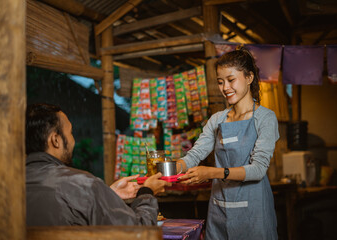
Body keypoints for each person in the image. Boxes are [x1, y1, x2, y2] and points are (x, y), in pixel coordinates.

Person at [177, 48, 279, 239]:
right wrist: (173, 168)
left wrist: (212, 173)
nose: (225, 88)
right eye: (220, 82)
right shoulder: (217, 120)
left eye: (231, 80)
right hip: (219, 210)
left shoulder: (265, 118)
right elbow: (195, 154)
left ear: (249, 78)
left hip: (253, 213)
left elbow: (257, 169)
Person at [26, 103, 171, 226]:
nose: (73, 141)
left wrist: (108, 194)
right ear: (55, 140)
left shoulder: (7, 187)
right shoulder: (84, 185)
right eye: (70, 132)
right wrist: (146, 193)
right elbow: (137, 233)